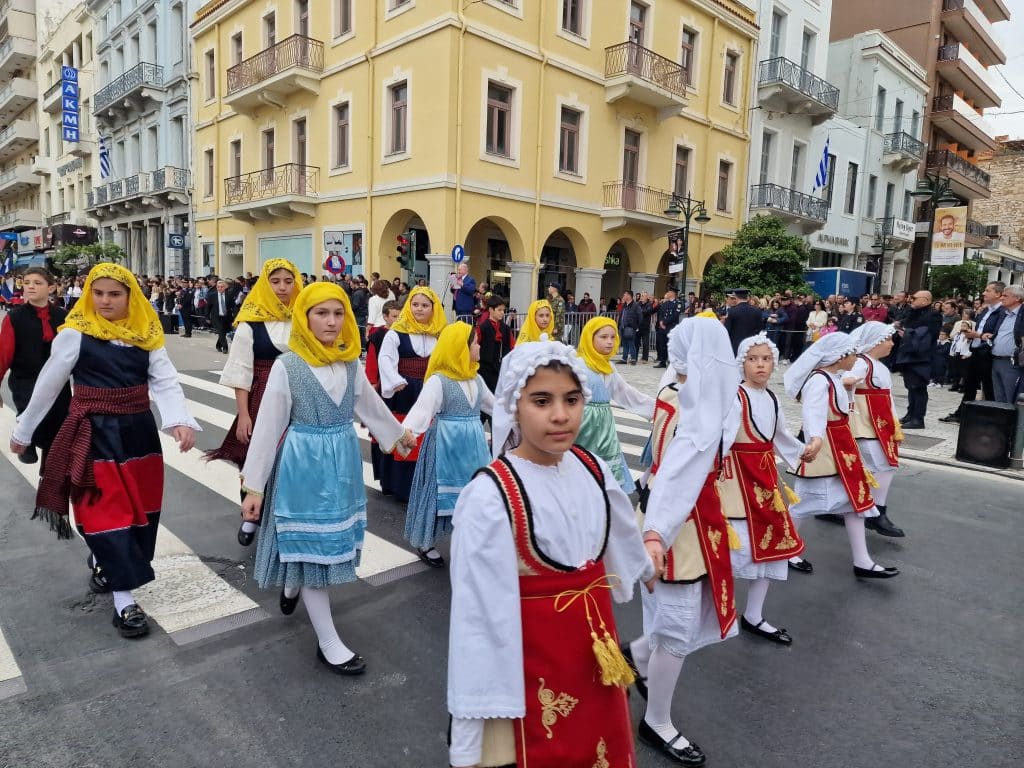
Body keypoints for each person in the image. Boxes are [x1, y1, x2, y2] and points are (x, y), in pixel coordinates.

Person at [447, 340, 656, 768]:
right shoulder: (491, 496)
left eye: (572, 399)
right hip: (527, 665)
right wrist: (469, 734)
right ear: (513, 405)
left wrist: (647, 563)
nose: (561, 415)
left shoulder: (592, 467)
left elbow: (620, 537)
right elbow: (477, 620)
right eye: (542, 401)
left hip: (596, 655)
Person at [9, 263, 199, 638]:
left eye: (114, 294)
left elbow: (165, 381)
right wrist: (24, 430)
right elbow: (48, 385)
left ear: (130, 296)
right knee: (105, 513)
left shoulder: (146, 333)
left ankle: (103, 561)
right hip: (93, 433)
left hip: (139, 434)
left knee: (139, 513)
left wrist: (179, 420)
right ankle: (124, 601)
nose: (106, 300)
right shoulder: (75, 335)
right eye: (99, 293)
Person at [241, 283, 413, 674]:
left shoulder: (350, 362)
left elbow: (369, 405)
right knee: (314, 548)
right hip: (303, 465)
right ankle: (328, 641)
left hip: (341, 465)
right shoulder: (289, 366)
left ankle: (292, 584)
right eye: (321, 313)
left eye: (338, 313)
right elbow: (268, 427)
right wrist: (254, 486)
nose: (331, 321)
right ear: (304, 317)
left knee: (325, 544)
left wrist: (396, 436)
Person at [624, 316, 742, 767]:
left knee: (669, 619)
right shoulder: (696, 405)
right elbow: (674, 474)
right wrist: (657, 533)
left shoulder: (683, 393)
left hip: (687, 519)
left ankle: (635, 654)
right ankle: (656, 721)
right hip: (679, 524)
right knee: (677, 628)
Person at [783, 333, 899, 579]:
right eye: (852, 353)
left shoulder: (832, 378)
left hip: (842, 448)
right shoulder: (819, 381)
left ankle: (862, 560)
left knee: (855, 504)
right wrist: (815, 439)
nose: (856, 358)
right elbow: (813, 412)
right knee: (803, 502)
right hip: (825, 449)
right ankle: (786, 550)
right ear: (839, 357)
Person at [719, 334, 809, 645]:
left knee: (773, 551)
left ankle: (754, 615)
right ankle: (717, 610)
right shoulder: (735, 398)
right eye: (753, 359)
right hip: (737, 482)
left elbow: (780, 436)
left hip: (767, 481)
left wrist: (801, 452)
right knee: (734, 551)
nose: (760, 364)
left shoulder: (771, 398)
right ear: (741, 363)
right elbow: (723, 442)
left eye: (766, 359)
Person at [205, 259, 301, 544]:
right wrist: (244, 414)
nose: (283, 287)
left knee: (292, 459)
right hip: (260, 395)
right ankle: (250, 518)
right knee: (253, 456)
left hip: (297, 396)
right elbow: (241, 373)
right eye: (276, 281)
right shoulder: (251, 323)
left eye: (288, 280)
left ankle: (285, 515)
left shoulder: (305, 316)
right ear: (264, 284)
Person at [403, 322, 493, 567]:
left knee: (476, 492)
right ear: (460, 347)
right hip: (446, 444)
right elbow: (422, 411)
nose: (479, 345)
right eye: (474, 341)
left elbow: (495, 407)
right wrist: (406, 434)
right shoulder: (439, 381)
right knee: (437, 491)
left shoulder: (477, 379)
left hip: (473, 445)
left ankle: (471, 539)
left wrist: (523, 415)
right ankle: (425, 542)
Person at [377, 286, 447, 501]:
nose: (419, 309)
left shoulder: (440, 334)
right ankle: (401, 485)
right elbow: (386, 358)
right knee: (404, 432)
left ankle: (424, 483)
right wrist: (394, 380)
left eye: (425, 305)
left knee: (427, 433)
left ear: (433, 309)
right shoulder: (396, 332)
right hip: (405, 390)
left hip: (430, 389)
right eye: (415, 305)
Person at [0, 267, 71, 466]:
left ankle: (51, 465)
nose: (31, 286)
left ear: (51, 288)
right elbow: (3, 354)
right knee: (29, 411)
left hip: (57, 381)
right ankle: (26, 442)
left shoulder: (64, 317)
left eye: (37, 283)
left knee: (58, 422)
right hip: (25, 380)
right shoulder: (14, 317)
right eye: (27, 282)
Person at [576, 316, 655, 494]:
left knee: (606, 478)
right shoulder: (578, 365)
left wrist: (658, 409)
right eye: (603, 337)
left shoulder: (608, 367)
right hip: (582, 427)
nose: (610, 342)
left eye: (613, 337)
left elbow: (626, 394)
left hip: (604, 429)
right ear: (590, 337)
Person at [847, 322, 906, 538]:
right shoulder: (862, 363)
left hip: (880, 425)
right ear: (876, 342)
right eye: (888, 339)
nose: (892, 344)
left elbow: (888, 399)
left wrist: (896, 426)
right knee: (881, 465)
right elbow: (845, 379)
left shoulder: (879, 366)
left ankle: (866, 509)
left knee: (881, 465)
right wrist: (850, 381)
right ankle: (876, 512)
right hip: (864, 425)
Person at [940, 282, 1003, 423]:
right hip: (975, 351)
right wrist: (970, 335)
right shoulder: (986, 311)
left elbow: (994, 334)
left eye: (988, 290)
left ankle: (992, 418)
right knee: (969, 385)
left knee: (988, 386)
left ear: (998, 294)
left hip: (988, 354)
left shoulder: (1002, 312)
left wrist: (978, 336)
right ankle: (962, 414)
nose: (984, 293)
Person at [892, 290, 942, 429]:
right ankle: (910, 414)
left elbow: (926, 335)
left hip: (921, 357)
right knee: (911, 387)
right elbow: (906, 324)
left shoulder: (933, 315)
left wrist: (907, 333)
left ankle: (918, 418)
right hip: (909, 355)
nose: (911, 300)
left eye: (914, 298)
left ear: (925, 300)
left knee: (919, 387)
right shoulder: (912, 312)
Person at [476, 294, 513, 395]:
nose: (502, 313)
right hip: (484, 368)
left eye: (503, 310)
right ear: (491, 310)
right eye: (499, 310)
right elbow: (475, 345)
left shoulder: (506, 328)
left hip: (500, 367)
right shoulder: (482, 327)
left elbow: (511, 347)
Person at [723, 288, 764, 354]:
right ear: (747, 297)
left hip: (736, 346)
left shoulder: (732, 311)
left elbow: (727, 330)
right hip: (751, 345)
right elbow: (760, 329)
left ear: (736, 297)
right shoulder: (757, 311)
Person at [208, 278, 237, 353]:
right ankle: (225, 348)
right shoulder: (212, 295)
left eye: (221, 287)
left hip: (227, 317)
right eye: (218, 287)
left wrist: (236, 315)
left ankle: (218, 345)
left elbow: (233, 306)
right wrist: (207, 317)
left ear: (225, 287)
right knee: (221, 330)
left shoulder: (229, 295)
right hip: (216, 317)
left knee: (223, 332)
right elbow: (208, 307)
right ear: (216, 287)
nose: (220, 288)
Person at [654, 288, 681, 368]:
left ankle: (670, 362)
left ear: (672, 293)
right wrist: (661, 322)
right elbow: (661, 313)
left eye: (669, 292)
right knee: (662, 344)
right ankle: (662, 361)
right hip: (663, 327)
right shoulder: (666, 303)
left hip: (671, 326)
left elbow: (675, 315)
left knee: (670, 345)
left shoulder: (677, 303)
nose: (667, 293)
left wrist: (665, 322)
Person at [617, 290, 643, 365]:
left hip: (631, 327)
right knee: (624, 344)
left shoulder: (635, 305)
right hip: (623, 327)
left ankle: (633, 359)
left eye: (625, 295)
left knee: (631, 343)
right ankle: (624, 359)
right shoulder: (624, 305)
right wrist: (619, 324)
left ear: (629, 296)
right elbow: (622, 315)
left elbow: (640, 316)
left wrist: (636, 326)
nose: (623, 296)